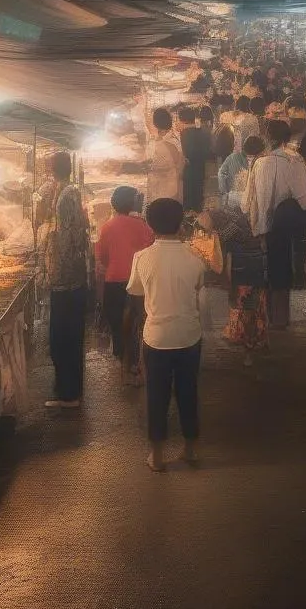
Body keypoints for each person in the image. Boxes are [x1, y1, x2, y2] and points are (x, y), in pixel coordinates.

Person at [127, 198, 205, 473]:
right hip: (189, 335)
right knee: (188, 392)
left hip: (156, 337)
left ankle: (157, 456)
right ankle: (191, 449)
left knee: (156, 395)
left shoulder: (142, 257)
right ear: (181, 223)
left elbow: (136, 291)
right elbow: (197, 286)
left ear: (150, 225)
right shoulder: (195, 256)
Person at [245, 119, 306, 329]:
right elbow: (305, 199)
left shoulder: (258, 163)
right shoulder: (294, 161)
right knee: (282, 270)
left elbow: (247, 200)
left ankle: (263, 319)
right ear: (288, 138)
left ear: (266, 138)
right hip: (284, 226)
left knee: (263, 273)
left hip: (260, 226)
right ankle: (281, 319)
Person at [44, 152, 90, 410]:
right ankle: (69, 391)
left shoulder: (65, 197)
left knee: (63, 337)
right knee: (67, 337)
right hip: (69, 276)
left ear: (53, 169)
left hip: (67, 279)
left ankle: (69, 394)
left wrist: (54, 264)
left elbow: (69, 237)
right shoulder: (66, 192)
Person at [95, 186, 155, 382]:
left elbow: (102, 256)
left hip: (114, 281)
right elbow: (150, 249)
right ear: (132, 203)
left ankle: (123, 361)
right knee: (137, 322)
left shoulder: (107, 227)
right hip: (138, 281)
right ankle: (136, 365)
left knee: (118, 323)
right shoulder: (143, 226)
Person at [211, 206, 269, 367]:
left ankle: (248, 350)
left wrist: (227, 280)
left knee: (247, 311)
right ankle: (257, 340)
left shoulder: (234, 224)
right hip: (257, 271)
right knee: (255, 308)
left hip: (244, 273)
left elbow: (225, 251)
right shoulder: (256, 221)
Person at [118, 108, 184, 205]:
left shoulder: (164, 145)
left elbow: (150, 166)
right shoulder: (164, 141)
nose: (146, 122)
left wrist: (125, 166)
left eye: (149, 120)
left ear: (155, 125)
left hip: (165, 195)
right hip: (167, 191)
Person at [178, 106, 212, 212]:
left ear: (182, 120)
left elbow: (182, 155)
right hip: (201, 169)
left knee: (187, 200)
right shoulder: (205, 132)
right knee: (198, 197)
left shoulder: (182, 135)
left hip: (187, 172)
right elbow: (208, 152)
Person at [218, 134, 265, 211]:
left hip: (234, 200)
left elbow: (221, 174)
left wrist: (225, 193)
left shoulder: (232, 157)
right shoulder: (260, 163)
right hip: (246, 202)